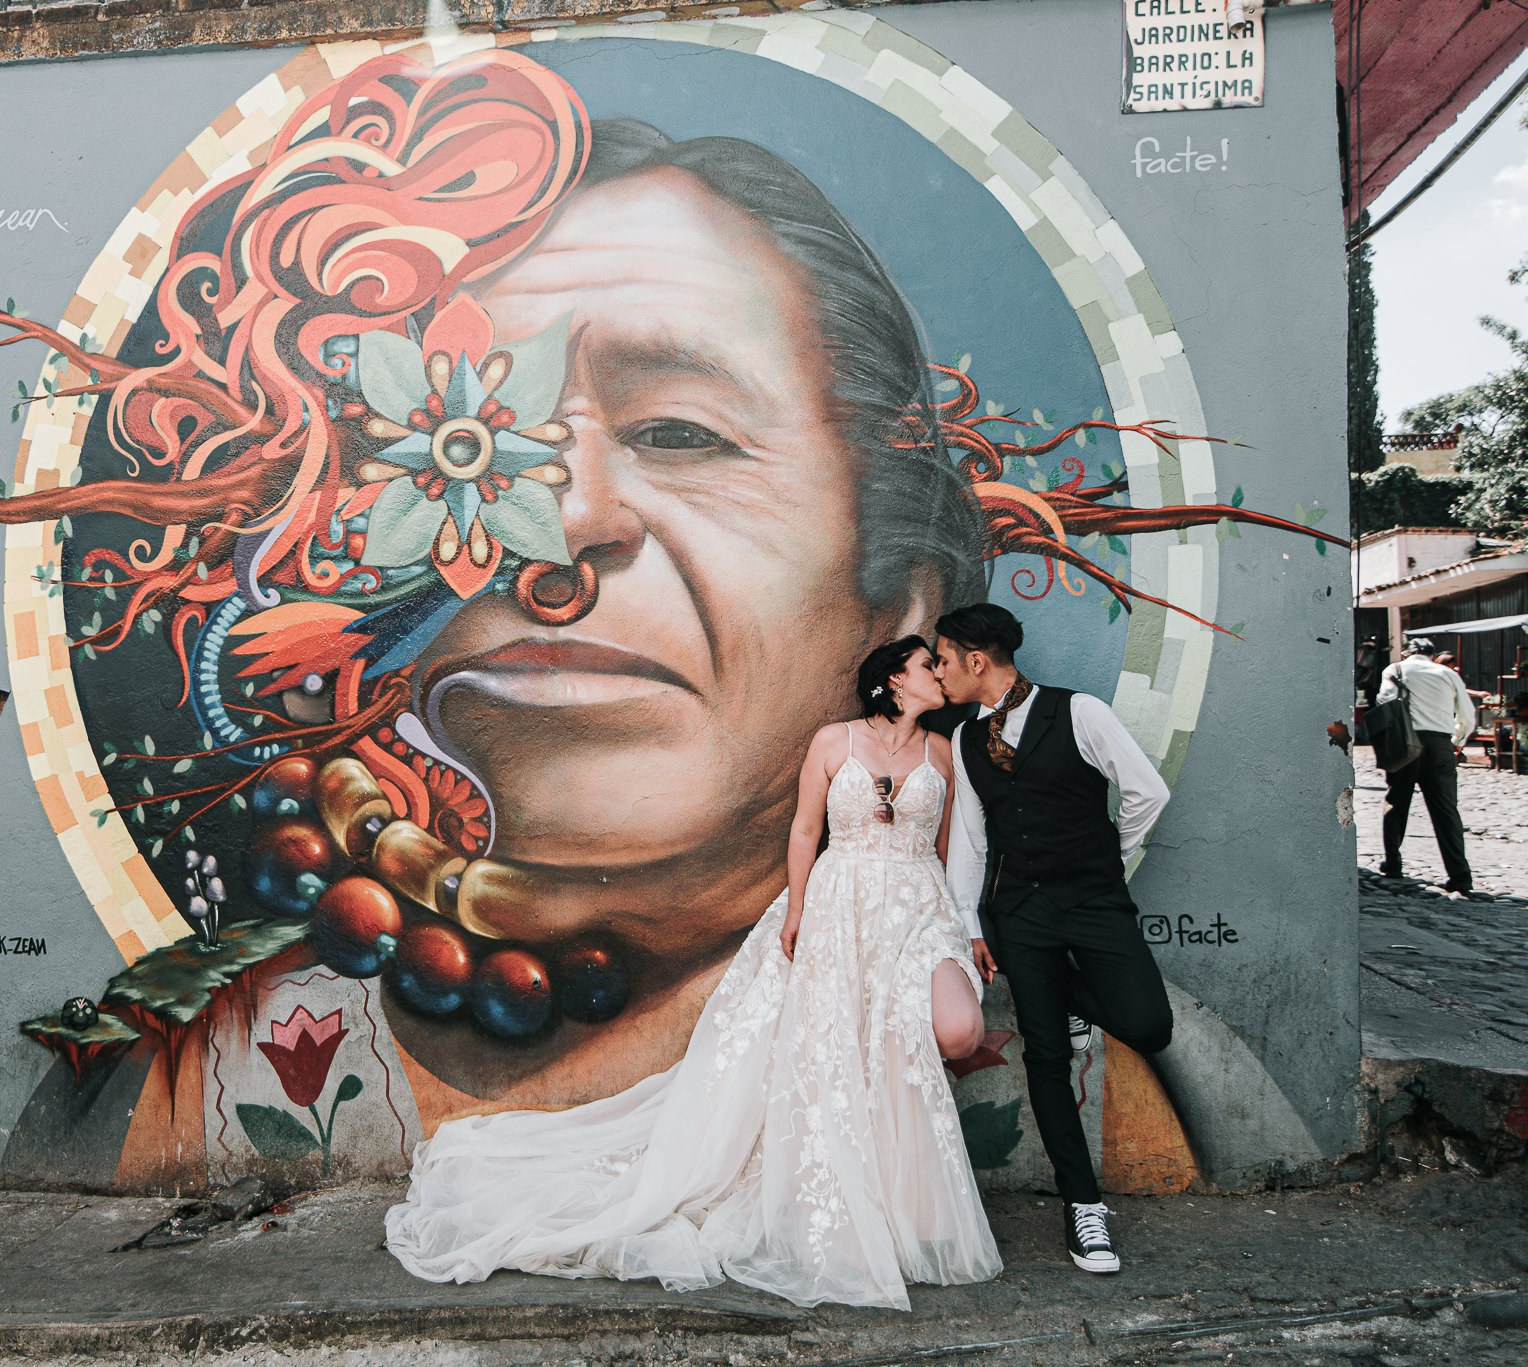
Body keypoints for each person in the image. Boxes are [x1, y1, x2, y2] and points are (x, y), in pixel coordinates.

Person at [393, 121, 987, 1112]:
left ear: (896, 598)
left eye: (677, 431)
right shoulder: (217, 1059)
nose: (563, 521)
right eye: (480, 446)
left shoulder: (1125, 1095)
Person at [385, 638, 1001, 1308]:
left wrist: (961, 928)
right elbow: (804, 829)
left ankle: (903, 1199)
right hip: (838, 905)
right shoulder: (834, 740)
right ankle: (853, 1201)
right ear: (892, 680)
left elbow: (951, 851)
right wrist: (797, 908)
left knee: (924, 1037)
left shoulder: (944, 753)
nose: (939, 673)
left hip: (916, 915)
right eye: (926, 665)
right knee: (835, 1048)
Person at [932, 602, 1174, 1275]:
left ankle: (1071, 999)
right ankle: (1084, 1207)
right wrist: (973, 925)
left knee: (1148, 1023)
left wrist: (1106, 859)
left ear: (977, 660)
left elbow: (1146, 793)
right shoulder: (965, 738)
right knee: (1046, 1056)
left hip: (1094, 901)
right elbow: (973, 842)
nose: (940, 672)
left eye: (944, 659)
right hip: (1021, 914)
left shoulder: (1080, 712)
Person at [1374, 637, 1476, 894]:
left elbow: (1385, 702)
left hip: (1406, 742)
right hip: (1441, 744)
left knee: (1397, 802)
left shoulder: (1396, 669)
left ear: (1408, 653)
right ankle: (1460, 875)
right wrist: (1457, 740)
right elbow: (1466, 714)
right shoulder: (1447, 674)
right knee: (1446, 810)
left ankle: (1393, 863)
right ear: (1432, 655)